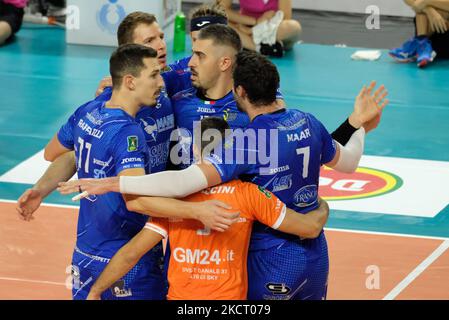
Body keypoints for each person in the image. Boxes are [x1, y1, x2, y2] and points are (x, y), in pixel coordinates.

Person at [58, 51, 389, 300]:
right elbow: (347, 163)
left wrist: (114, 182)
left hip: (269, 261)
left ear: (240, 92)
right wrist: (357, 125)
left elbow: (184, 181)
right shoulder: (308, 121)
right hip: (315, 254)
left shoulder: (249, 142)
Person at [33, 44, 240, 300]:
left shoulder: (88, 110)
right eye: (153, 75)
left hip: (84, 253)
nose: (161, 83)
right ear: (130, 81)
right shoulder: (129, 132)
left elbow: (56, 152)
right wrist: (197, 211)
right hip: (127, 260)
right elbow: (137, 199)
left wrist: (41, 189)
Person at [85, 117, 331, 300]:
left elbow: (131, 253)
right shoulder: (249, 194)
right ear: (231, 150)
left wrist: (95, 291)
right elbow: (308, 228)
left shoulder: (173, 202)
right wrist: (322, 207)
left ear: (193, 149)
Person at [219, 0, 301, 57]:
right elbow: (221, 9)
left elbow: (285, 17)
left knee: (294, 27)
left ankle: (246, 42)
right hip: (245, 26)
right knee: (218, 21)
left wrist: (251, 31)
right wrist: (255, 21)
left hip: (271, 29)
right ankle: (259, 47)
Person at [389, 0, 449, 67]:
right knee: (421, 9)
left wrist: (427, 2)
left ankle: (419, 48)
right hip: (429, 32)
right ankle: (422, 44)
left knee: (440, 10)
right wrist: (429, 10)